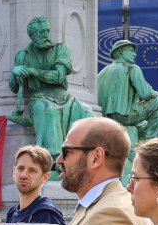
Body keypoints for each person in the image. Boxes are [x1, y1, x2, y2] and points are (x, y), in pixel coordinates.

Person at [7, 16, 95, 165]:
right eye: (42, 32)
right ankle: (52, 159)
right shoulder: (23, 56)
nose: (46, 35)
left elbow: (59, 77)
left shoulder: (61, 49)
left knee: (89, 115)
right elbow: (14, 87)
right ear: (32, 35)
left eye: (47, 30)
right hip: (39, 97)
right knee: (49, 112)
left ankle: (85, 158)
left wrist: (32, 71)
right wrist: (16, 73)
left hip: (63, 96)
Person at [0, 145, 66, 225]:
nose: (23, 175)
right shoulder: (12, 213)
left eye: (32, 170)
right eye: (20, 168)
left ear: (45, 177)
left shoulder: (46, 214)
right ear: (14, 172)